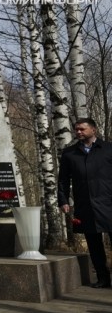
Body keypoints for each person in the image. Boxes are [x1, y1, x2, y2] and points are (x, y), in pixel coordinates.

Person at [58, 118, 112, 288]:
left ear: (93, 130)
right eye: (76, 129)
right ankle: (103, 279)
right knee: (94, 245)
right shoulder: (69, 153)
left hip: (109, 203)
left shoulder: (108, 149)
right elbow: (63, 180)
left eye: (82, 129)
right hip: (85, 204)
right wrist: (63, 200)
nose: (78, 132)